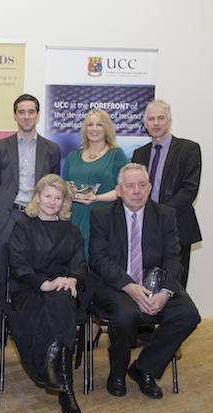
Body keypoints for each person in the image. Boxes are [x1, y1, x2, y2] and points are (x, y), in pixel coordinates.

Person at [88, 163, 200, 399]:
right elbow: (99, 259)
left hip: (156, 285)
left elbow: (173, 258)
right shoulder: (102, 215)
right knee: (126, 315)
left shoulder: (165, 215)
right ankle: (117, 373)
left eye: (142, 185)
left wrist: (165, 292)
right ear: (119, 190)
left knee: (188, 314)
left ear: (149, 188)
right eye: (130, 186)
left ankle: (144, 369)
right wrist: (130, 287)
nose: (136, 191)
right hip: (114, 285)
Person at [8, 174, 86, 413]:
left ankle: (60, 379)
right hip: (31, 288)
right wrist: (45, 284)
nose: (52, 202)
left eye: (58, 197)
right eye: (48, 196)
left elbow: (79, 265)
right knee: (56, 307)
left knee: (62, 299)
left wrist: (71, 279)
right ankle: (63, 385)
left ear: (64, 202)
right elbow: (18, 266)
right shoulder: (23, 226)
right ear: (38, 198)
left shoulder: (72, 231)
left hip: (63, 288)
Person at [0, 94, 60, 307]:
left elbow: (54, 184)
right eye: (22, 112)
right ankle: (1, 319)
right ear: (15, 116)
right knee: (1, 269)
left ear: (38, 115)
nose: (27, 116)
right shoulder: (1, 147)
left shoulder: (52, 148)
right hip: (7, 216)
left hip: (39, 216)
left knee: (35, 269)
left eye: (31, 112)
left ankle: (29, 318)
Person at [131, 99, 202, 288]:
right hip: (146, 228)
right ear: (145, 124)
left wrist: (160, 213)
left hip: (178, 225)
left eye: (160, 118)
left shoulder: (189, 149)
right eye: (151, 119)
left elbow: (189, 189)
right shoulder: (139, 154)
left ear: (169, 121)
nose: (156, 123)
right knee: (147, 282)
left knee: (175, 284)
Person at [62, 109, 129, 263]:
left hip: (103, 217)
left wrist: (96, 197)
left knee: (99, 264)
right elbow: (64, 186)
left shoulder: (116, 154)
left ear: (107, 129)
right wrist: (70, 190)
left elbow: (124, 190)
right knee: (76, 263)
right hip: (76, 217)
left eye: (99, 125)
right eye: (90, 124)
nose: (94, 128)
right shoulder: (73, 156)